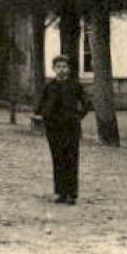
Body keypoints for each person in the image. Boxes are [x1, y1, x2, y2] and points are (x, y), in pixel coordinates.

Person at [36, 54, 91, 204]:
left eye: (64, 67)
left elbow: (86, 102)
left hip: (71, 127)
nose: (61, 70)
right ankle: (60, 192)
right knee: (58, 159)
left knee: (71, 158)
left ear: (69, 69)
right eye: (58, 67)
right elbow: (40, 104)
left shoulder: (75, 86)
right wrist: (45, 115)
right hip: (54, 128)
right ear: (53, 69)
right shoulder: (49, 86)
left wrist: (79, 116)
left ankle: (72, 193)